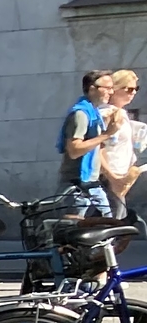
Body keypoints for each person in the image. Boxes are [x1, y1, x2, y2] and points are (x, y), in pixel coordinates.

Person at [61, 70, 118, 217]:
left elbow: (96, 146)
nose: (111, 92)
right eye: (107, 88)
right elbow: (74, 150)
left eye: (112, 88)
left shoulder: (94, 113)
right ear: (92, 88)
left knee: (107, 229)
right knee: (72, 233)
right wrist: (106, 134)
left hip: (92, 183)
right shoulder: (81, 114)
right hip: (77, 184)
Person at [103, 70, 142, 221]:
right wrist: (111, 177)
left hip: (120, 176)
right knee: (110, 226)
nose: (133, 93)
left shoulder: (122, 113)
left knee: (118, 225)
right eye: (129, 89)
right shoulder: (107, 113)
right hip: (109, 178)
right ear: (115, 89)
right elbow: (99, 148)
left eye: (136, 89)